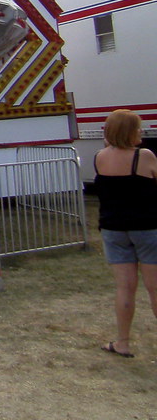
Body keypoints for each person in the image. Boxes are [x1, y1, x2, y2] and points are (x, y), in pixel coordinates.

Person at [93, 109, 157, 358]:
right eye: (138, 128)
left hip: (113, 229)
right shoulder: (145, 156)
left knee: (125, 288)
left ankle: (122, 342)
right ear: (129, 131)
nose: (141, 132)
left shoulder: (99, 157)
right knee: (154, 288)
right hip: (147, 228)